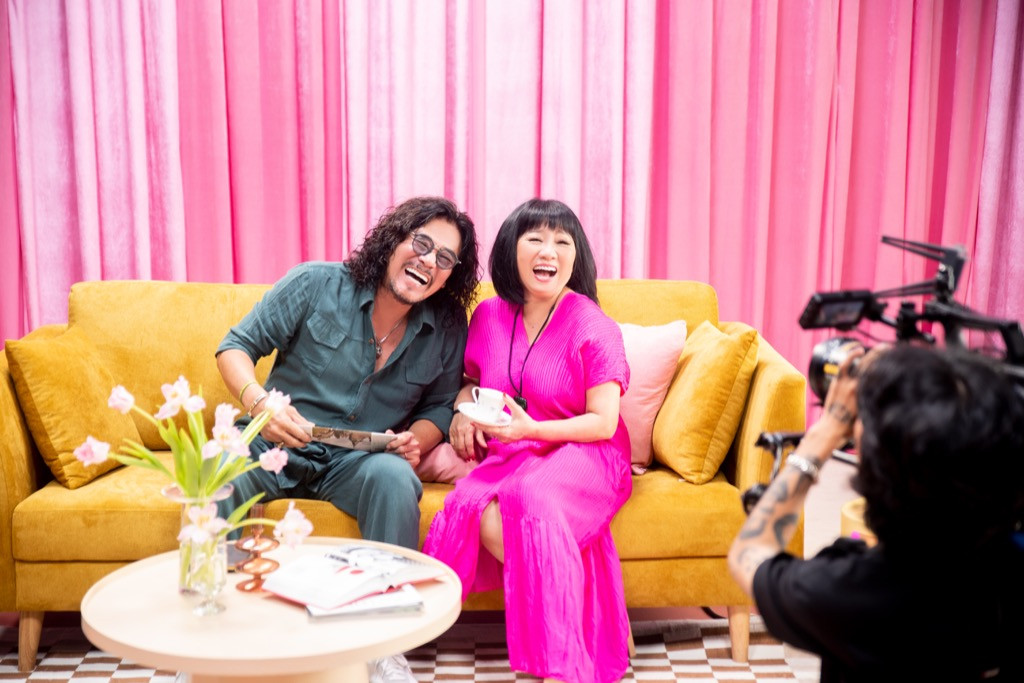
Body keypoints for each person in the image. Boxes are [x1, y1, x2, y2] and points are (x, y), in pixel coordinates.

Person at [216, 196, 479, 683]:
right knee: (220, 467)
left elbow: (442, 406)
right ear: (392, 240)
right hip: (277, 442)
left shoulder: (446, 326)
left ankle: (385, 649)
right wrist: (260, 404)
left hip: (358, 460)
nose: (429, 261)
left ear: (450, 276)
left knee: (395, 479)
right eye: (421, 243)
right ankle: (211, 634)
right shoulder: (315, 283)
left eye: (445, 258)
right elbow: (236, 346)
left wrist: (414, 439)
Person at [423, 198, 633, 683]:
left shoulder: (594, 325)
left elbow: (603, 423)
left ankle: (558, 664)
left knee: (530, 495)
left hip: (588, 450)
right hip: (515, 447)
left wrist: (529, 429)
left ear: (576, 256)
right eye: (535, 238)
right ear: (510, 250)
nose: (549, 251)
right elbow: (470, 383)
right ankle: (591, 619)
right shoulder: (489, 316)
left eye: (562, 242)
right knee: (472, 504)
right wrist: (461, 410)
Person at [728, 344, 1024, 681]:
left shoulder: (851, 594)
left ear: (879, 473)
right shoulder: (1008, 570)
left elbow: (748, 554)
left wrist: (826, 431)